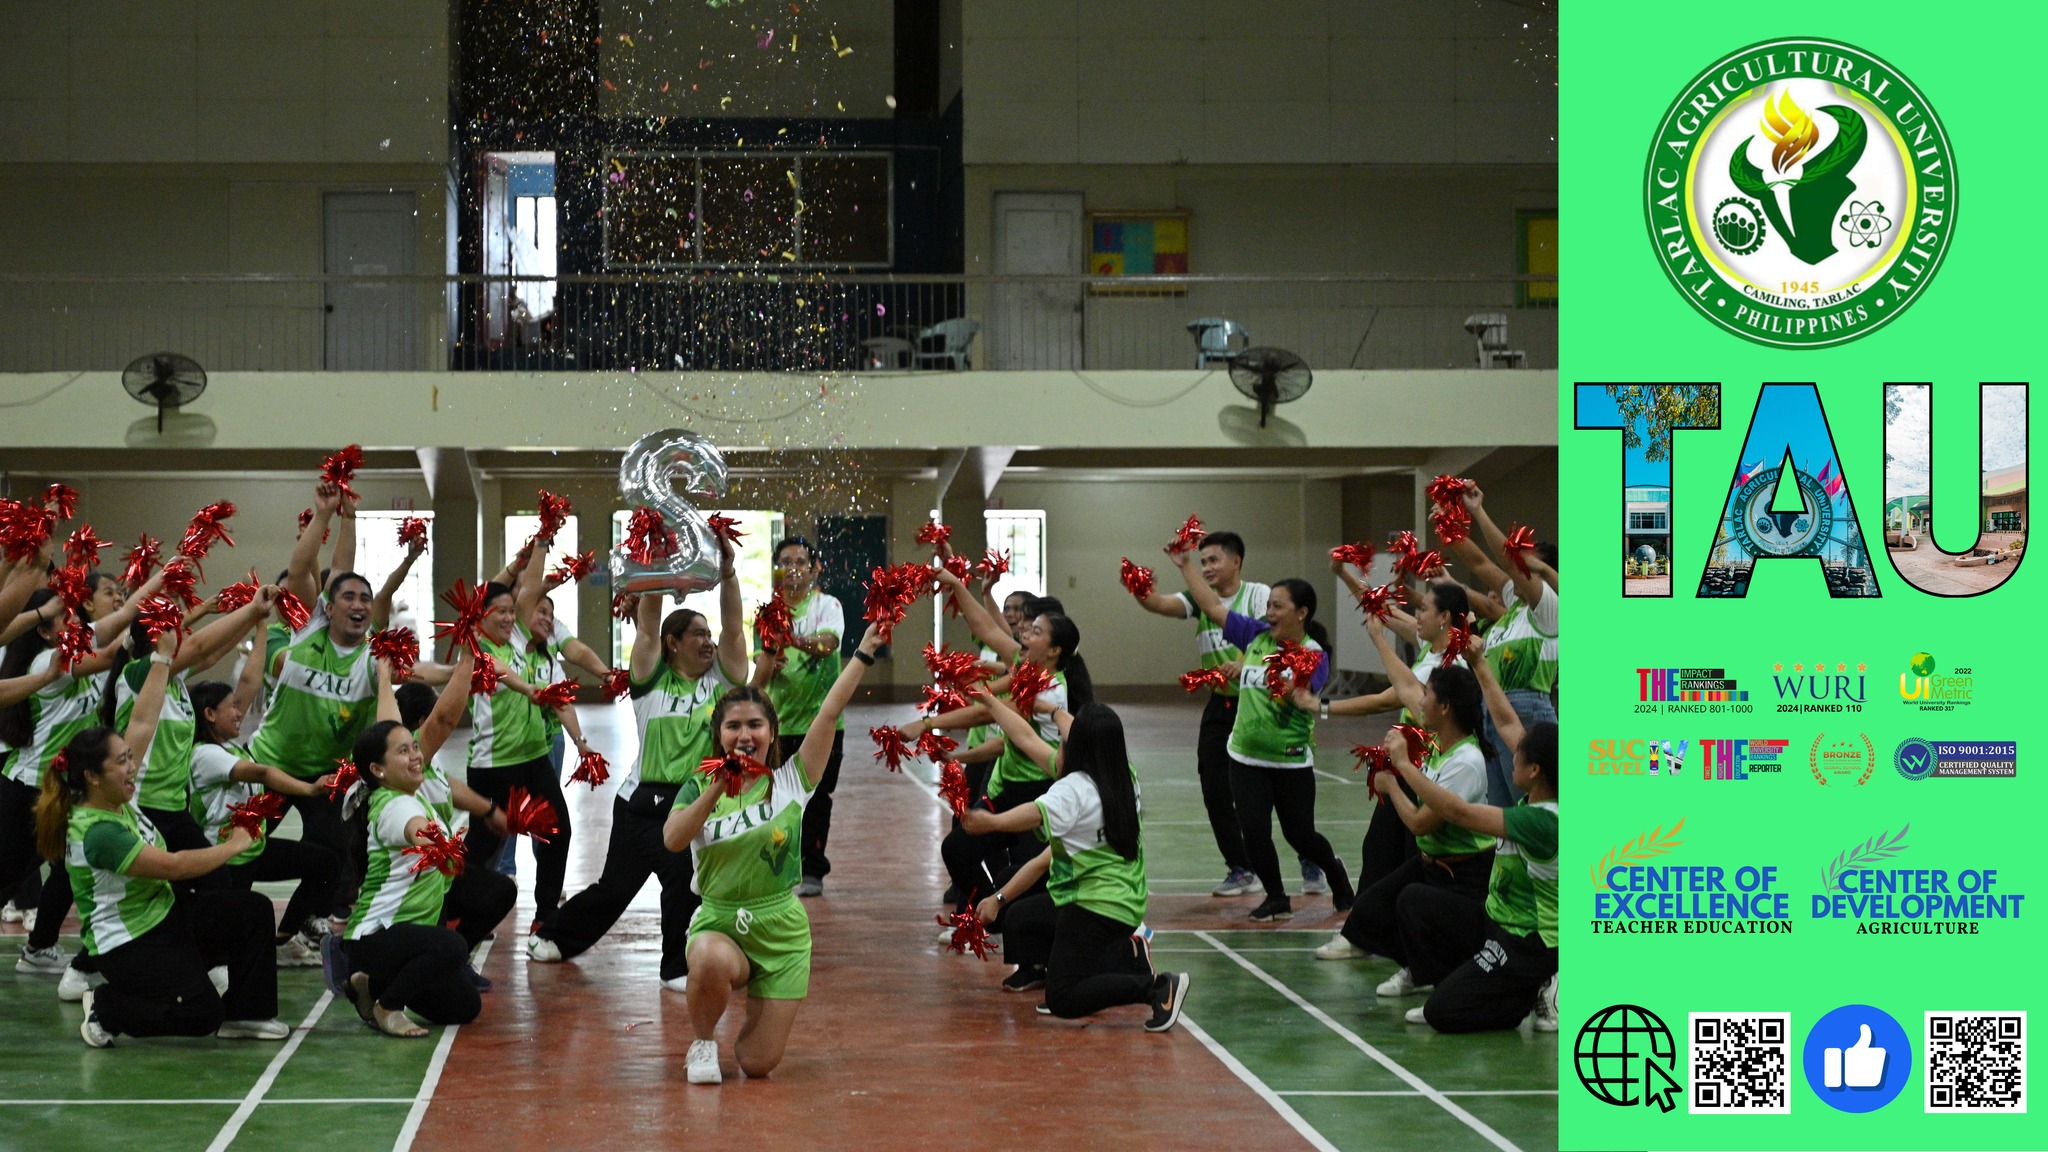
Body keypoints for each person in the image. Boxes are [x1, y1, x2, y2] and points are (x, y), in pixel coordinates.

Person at [37, 638, 289, 1048]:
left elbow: (142, 722)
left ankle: (248, 1014)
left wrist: (162, 657)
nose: (133, 766)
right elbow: (174, 867)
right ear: (91, 777)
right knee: (201, 1012)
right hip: (129, 943)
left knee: (251, 911)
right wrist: (235, 845)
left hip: (164, 916)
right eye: (122, 762)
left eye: (129, 758)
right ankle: (107, 1006)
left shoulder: (120, 796)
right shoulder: (97, 831)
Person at [663, 622, 883, 1085]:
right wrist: (717, 787)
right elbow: (673, 839)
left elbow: (827, 713)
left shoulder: (791, 781)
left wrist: (861, 653)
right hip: (721, 920)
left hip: (781, 931)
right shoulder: (698, 784)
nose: (745, 735)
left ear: (770, 731)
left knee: (756, 1063)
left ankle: (761, 1006)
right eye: (734, 726)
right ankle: (702, 1041)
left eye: (755, 725)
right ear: (719, 734)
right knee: (704, 957)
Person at [529, 540, 748, 992]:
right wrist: (661, 572)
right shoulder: (650, 680)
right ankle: (567, 939)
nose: (709, 643)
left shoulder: (721, 682)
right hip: (640, 806)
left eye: (708, 636)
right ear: (673, 644)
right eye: (698, 635)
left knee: (657, 885)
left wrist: (727, 573)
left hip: (689, 805)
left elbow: (733, 629)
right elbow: (647, 625)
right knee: (640, 884)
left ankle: (661, 964)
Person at [964, 695, 1190, 1031]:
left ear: (1077, 747)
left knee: (1063, 998)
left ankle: (1155, 988)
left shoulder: (1073, 792)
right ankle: (1124, 956)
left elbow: (1032, 813)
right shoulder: (1121, 774)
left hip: (1094, 904)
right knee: (1022, 918)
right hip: (1124, 897)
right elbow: (1027, 738)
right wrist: (1002, 704)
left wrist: (990, 823)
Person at [1380, 650, 1558, 1034]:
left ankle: (1542, 983)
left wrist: (1404, 768)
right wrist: (1479, 664)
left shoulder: (1541, 821)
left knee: (1441, 1014)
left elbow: (1459, 812)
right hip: (1497, 920)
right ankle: (1509, 991)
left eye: (1518, 757)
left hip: (1528, 940)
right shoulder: (1539, 794)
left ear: (1535, 770)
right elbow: (1508, 722)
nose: (1511, 759)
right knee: (1416, 901)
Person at [1172, 551, 1354, 921]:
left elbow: (1308, 696)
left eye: (1278, 606)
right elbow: (1211, 606)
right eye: (1268, 605)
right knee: (1254, 832)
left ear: (1301, 613)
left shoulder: (1313, 654)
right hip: (1245, 756)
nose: (1270, 612)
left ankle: (1336, 874)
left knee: (1300, 835)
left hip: (1289, 760)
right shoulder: (1255, 637)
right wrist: (1184, 565)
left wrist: (1294, 692)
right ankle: (1276, 897)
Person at [332, 649, 499, 1038]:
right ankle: (388, 1008)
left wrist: (385, 676)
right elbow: (414, 828)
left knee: (464, 1006)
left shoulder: (406, 785)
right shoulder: (395, 805)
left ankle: (369, 985)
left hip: (405, 936)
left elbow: (389, 726)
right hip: (375, 937)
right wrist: (436, 842)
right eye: (404, 751)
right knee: (451, 946)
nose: (415, 754)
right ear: (378, 769)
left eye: (414, 747)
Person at [912, 565, 1095, 917]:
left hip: (1041, 794)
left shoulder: (1052, 689)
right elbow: (984, 626)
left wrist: (926, 724)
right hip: (1006, 788)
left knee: (1029, 878)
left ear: (1054, 649)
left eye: (1035, 630)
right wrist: (955, 584)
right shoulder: (1027, 668)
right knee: (958, 849)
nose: (1024, 632)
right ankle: (991, 915)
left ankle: (1021, 943)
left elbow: (988, 714)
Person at [1331, 618, 1495, 996]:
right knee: (1370, 910)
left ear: (1445, 707)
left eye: (1428, 696)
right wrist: (1375, 634)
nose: (1420, 701)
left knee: (1409, 902)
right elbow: (1405, 685)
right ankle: (1419, 965)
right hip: (1432, 863)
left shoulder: (1465, 761)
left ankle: (1433, 972)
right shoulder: (1438, 738)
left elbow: (1422, 824)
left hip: (1465, 874)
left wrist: (1397, 775)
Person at [1128, 530, 1293, 899]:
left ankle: (1308, 854)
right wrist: (1138, 588)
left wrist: (1242, 661)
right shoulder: (1198, 599)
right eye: (1202, 562)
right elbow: (1159, 604)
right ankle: (1240, 867)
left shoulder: (1259, 595)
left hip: (1260, 704)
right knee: (1214, 786)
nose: (1208, 567)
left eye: (1214, 560)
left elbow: (1272, 641)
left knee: (1276, 787)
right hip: (1221, 705)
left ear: (1236, 561)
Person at [188, 608, 342, 971]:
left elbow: (250, 684)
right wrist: (308, 789)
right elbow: (261, 771)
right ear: (210, 715)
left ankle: (286, 939)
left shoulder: (225, 743)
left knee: (325, 862)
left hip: (251, 850)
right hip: (224, 859)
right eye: (231, 710)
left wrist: (260, 626)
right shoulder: (206, 756)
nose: (239, 713)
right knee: (226, 944)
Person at [250, 483, 377, 920]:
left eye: (365, 599)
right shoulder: (305, 629)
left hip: (325, 774)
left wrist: (352, 517)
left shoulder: (369, 653)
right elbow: (304, 566)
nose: (356, 604)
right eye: (347, 597)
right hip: (271, 763)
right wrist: (327, 515)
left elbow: (342, 573)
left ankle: (295, 930)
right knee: (242, 848)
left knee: (334, 856)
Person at [3, 586, 136, 980]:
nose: (76, 620)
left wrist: (160, 586)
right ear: (45, 631)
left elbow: (126, 614)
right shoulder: (52, 660)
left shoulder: (71, 652)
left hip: (54, 790)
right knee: (7, 874)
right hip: (25, 790)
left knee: (64, 865)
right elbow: (116, 649)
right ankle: (38, 947)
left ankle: (39, 946)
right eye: (67, 616)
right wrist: (152, 621)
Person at [1324, 572, 1477, 896]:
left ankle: (1376, 923)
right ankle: (1371, 922)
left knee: (1400, 850)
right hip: (1410, 762)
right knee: (1383, 847)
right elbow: (1382, 609)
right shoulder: (1431, 644)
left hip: (1425, 766)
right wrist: (1344, 573)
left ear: (1445, 617)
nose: (1416, 614)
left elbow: (1383, 701)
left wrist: (1321, 707)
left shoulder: (1451, 667)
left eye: (1424, 608)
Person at [458, 579, 573, 921]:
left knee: (558, 830)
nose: (509, 618)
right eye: (501, 611)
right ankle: (449, 913)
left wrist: (541, 541)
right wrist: (526, 688)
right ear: (480, 616)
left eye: (512, 611)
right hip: (493, 765)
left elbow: (531, 588)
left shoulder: (519, 640)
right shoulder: (474, 646)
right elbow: (498, 670)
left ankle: (545, 915)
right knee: (482, 849)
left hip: (534, 758)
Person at [1439, 482, 1559, 806]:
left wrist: (1479, 511)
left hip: (1526, 714)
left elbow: (1506, 563)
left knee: (1528, 807)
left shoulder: (1550, 609)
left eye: (1528, 567)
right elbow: (1480, 564)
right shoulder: (1514, 608)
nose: (1518, 573)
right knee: (1502, 813)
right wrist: (1449, 526)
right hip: (1492, 710)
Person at [757, 537, 846, 897]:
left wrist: (789, 639)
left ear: (814, 568)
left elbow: (828, 644)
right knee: (773, 797)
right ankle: (776, 866)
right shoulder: (767, 614)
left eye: (801, 561)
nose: (793, 567)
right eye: (786, 561)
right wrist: (769, 662)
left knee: (817, 799)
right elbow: (761, 670)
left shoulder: (827, 605)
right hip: (779, 723)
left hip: (823, 725)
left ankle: (812, 870)